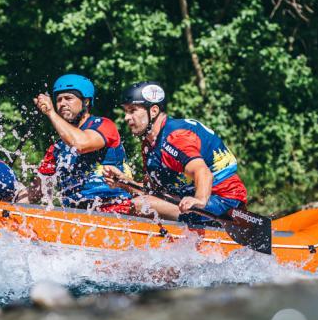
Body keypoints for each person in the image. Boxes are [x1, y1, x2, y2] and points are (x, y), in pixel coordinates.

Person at [104, 81, 247, 222]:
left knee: (141, 205)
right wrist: (124, 182)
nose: (126, 117)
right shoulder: (150, 144)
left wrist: (198, 201)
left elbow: (203, 173)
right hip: (196, 202)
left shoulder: (175, 137)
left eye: (132, 110)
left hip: (225, 202)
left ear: (153, 111)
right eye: (126, 111)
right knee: (132, 203)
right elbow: (154, 193)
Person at [18, 74, 132, 212]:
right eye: (59, 100)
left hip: (114, 210)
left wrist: (50, 112)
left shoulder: (104, 125)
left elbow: (80, 144)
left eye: (69, 98)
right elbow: (36, 192)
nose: (62, 103)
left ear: (86, 102)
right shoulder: (57, 148)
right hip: (76, 216)